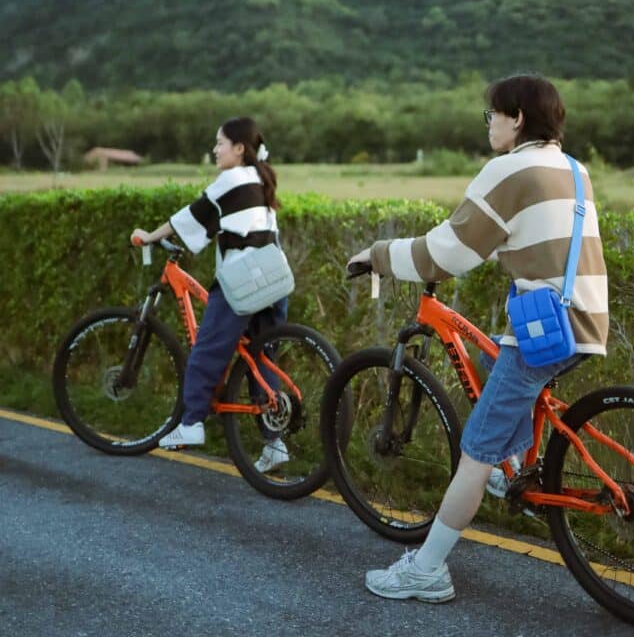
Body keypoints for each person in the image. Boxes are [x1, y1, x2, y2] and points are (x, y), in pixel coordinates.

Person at [347, 73, 609, 602]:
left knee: (474, 452)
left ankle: (427, 570)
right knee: (490, 353)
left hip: (542, 335)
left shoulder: (508, 169)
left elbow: (445, 254)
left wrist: (377, 255)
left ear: (517, 118)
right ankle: (514, 467)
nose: (489, 124)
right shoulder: (573, 168)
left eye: (493, 114)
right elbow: (531, 237)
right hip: (584, 322)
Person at [131, 116, 290, 472]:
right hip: (274, 277)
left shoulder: (231, 179)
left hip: (243, 278)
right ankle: (274, 443)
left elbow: (191, 217)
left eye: (220, 143)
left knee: (207, 349)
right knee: (261, 358)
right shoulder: (260, 177)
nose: (215, 149)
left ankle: (191, 423)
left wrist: (149, 237)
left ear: (239, 148)